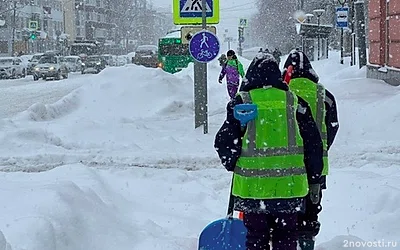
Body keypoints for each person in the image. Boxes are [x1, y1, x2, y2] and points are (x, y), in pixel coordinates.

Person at [214, 52, 324, 250]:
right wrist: (314, 177)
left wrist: (233, 161)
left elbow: (223, 142)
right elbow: (314, 144)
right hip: (289, 190)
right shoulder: (294, 103)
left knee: (256, 237)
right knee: (286, 236)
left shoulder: (242, 102)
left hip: (253, 190)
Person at [282, 50, 339, 250]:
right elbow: (333, 126)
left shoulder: (285, 94)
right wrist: (322, 147)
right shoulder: (324, 95)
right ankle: (306, 244)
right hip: (317, 167)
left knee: (287, 214)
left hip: (288, 165)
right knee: (310, 213)